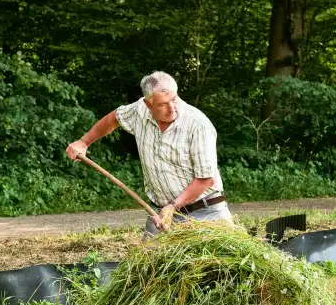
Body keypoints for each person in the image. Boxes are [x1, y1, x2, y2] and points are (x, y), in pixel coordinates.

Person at [65, 71, 233, 236]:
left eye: (174, 99)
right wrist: (83, 142)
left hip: (205, 212)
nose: (172, 108)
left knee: (218, 263)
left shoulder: (197, 124)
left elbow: (205, 178)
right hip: (161, 215)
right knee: (148, 263)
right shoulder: (140, 110)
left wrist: (173, 206)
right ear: (148, 104)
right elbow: (114, 117)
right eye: (162, 104)